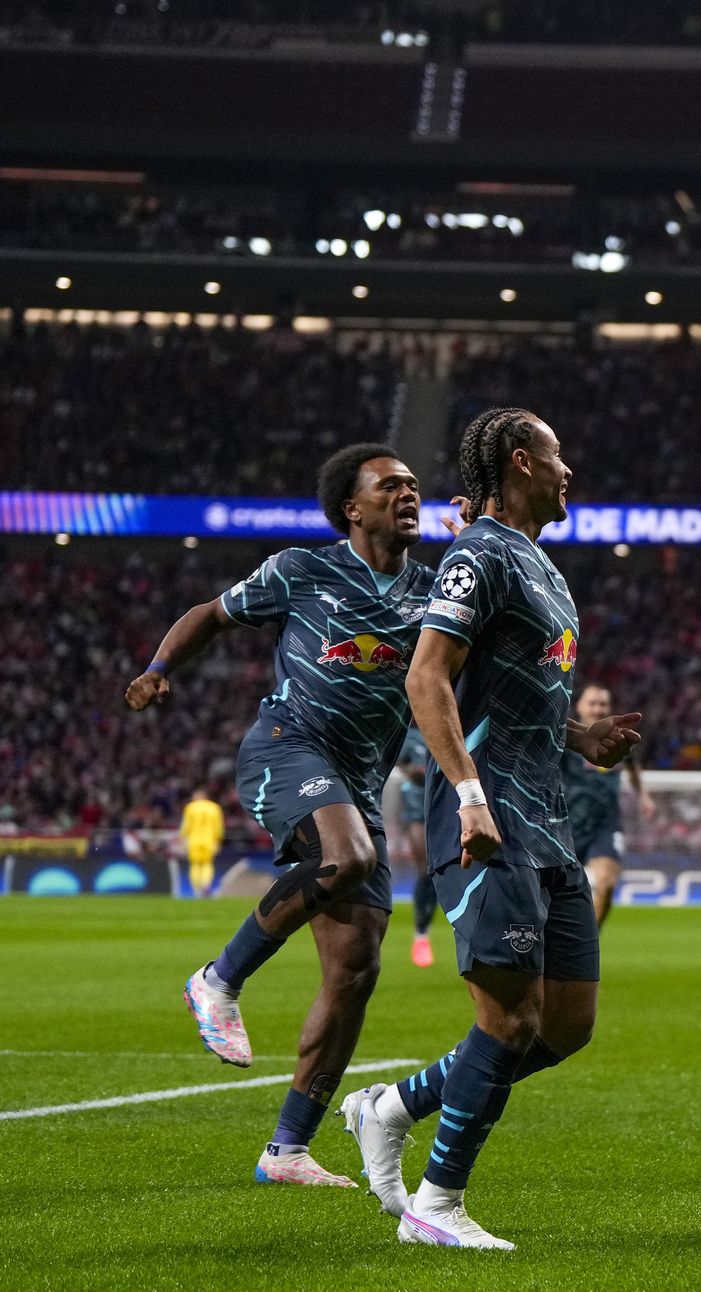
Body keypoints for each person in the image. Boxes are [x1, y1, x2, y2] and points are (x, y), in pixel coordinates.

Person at [337, 408, 640, 1250]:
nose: (569, 469)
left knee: (564, 1025)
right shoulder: (477, 555)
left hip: (545, 816)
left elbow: (513, 698)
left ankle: (388, 1103)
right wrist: (469, 795)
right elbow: (427, 680)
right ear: (520, 462)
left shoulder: (543, 566)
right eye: (556, 453)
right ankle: (437, 1204)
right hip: (487, 814)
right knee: (508, 1018)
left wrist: (583, 739)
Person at [125, 444, 433, 1186]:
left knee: (356, 967)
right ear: (351, 509)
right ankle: (218, 978)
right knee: (348, 856)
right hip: (286, 748)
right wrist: (160, 669)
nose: (409, 492)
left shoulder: (431, 591)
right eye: (390, 485)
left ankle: (287, 1149)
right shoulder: (302, 568)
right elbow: (211, 613)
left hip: (359, 782)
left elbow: (476, 686)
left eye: (414, 484)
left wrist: (578, 734)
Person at [565, 682, 654, 928]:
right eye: (592, 703)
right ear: (579, 706)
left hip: (604, 826)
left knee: (606, 883)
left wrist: (643, 795)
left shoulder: (619, 738)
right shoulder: (565, 737)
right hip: (565, 826)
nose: (597, 708)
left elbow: (633, 765)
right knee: (552, 895)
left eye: (602, 703)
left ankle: (586, 944)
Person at [396, 726, 441, 966]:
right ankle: (421, 936)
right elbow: (395, 761)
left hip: (449, 804)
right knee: (425, 872)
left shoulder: (451, 724)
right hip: (417, 808)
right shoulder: (407, 735)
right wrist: (410, 771)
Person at [180, 786, 225, 898]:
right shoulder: (214, 808)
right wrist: (218, 840)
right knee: (207, 864)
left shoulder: (190, 807)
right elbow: (218, 827)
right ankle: (206, 884)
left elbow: (186, 826)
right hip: (209, 840)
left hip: (193, 840)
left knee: (195, 864)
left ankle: (196, 889)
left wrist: (182, 839)